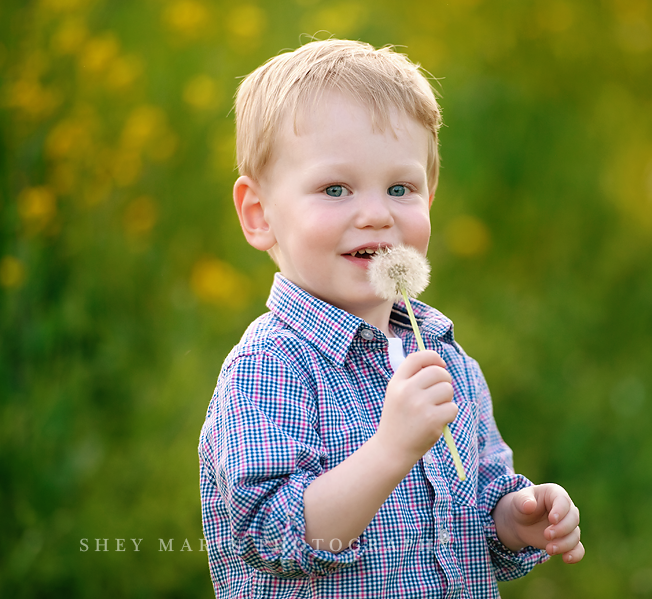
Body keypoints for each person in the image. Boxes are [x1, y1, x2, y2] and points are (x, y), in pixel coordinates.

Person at [199, 38, 584, 598]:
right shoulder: (270, 369)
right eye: (336, 189)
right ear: (260, 216)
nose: (377, 214)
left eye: (400, 188)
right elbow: (272, 537)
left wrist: (513, 519)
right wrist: (390, 449)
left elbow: (472, 506)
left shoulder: (444, 357)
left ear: (429, 201)